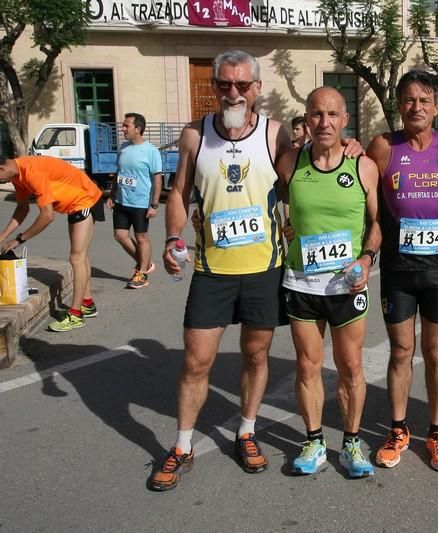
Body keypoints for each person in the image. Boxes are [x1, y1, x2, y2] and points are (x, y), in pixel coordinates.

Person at [149, 50, 290, 491]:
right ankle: (183, 445)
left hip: (265, 268)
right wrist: (173, 237)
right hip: (213, 269)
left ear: (257, 89)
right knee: (196, 361)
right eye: (224, 84)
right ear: (213, 86)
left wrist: (349, 147)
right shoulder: (194, 135)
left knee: (255, 355)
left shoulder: (275, 134)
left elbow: (308, 179)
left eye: (242, 85)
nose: (233, 92)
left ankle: (246, 432)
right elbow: (179, 192)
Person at [277, 86, 381, 478]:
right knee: (308, 365)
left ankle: (352, 442)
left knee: (351, 365)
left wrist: (368, 259)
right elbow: (271, 202)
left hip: (347, 286)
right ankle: (314, 440)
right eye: (316, 115)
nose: (324, 123)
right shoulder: (290, 162)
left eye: (332, 115)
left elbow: (377, 224)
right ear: (305, 119)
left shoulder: (362, 166)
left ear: (345, 120)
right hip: (302, 283)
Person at [365, 70, 438, 471]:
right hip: (398, 266)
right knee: (401, 351)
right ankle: (398, 428)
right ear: (398, 106)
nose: (416, 107)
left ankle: (437, 432)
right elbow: (358, 180)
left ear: (437, 108)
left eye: (425, 100)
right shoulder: (384, 146)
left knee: (435, 351)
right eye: (409, 100)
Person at [0, 155, 101, 332]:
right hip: (76, 203)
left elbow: (47, 216)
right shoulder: (17, 176)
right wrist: (3, 236)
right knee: (81, 256)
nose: (0, 184)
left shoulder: (32, 172)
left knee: (77, 258)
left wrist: (19, 239)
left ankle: (76, 315)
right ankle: (87, 303)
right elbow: (23, 208)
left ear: (1, 169)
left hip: (85, 200)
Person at [106, 112, 163, 289]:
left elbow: (157, 179)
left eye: (126, 126)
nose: (122, 129)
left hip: (141, 202)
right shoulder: (123, 147)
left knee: (141, 238)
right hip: (122, 201)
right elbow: (119, 173)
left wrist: (153, 205)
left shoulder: (151, 151)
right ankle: (144, 264)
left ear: (138, 129)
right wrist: (112, 194)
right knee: (120, 236)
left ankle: (142, 273)